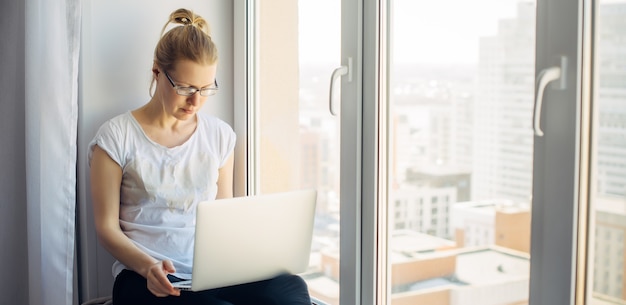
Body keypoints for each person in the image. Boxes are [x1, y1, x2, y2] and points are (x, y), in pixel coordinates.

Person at [88, 8, 311, 305]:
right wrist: (147, 266)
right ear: (157, 72)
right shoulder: (115, 137)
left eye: (206, 89)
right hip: (143, 277)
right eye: (186, 88)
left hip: (209, 273)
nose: (196, 101)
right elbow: (106, 229)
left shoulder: (219, 136)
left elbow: (223, 217)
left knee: (290, 289)